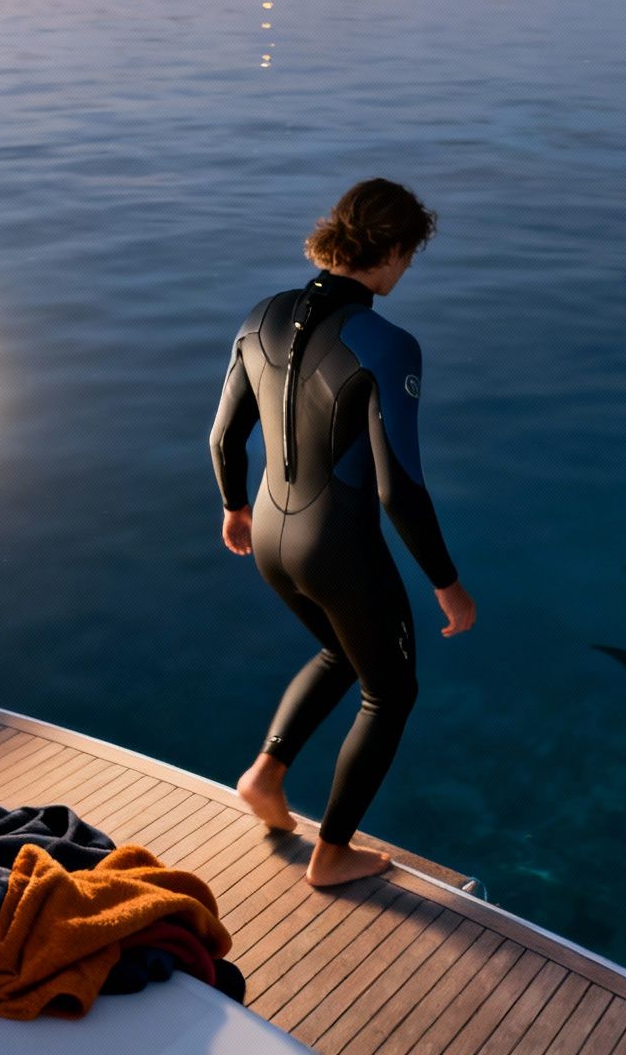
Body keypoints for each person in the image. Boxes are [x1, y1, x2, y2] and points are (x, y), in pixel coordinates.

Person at [210, 178, 477, 887]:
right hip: (339, 548)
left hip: (269, 534)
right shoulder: (388, 345)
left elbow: (222, 437)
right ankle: (331, 853)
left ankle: (265, 775)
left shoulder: (261, 314)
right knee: (390, 693)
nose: (405, 271)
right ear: (390, 250)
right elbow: (399, 488)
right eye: (408, 257)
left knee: (340, 650)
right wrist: (448, 584)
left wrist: (234, 506)